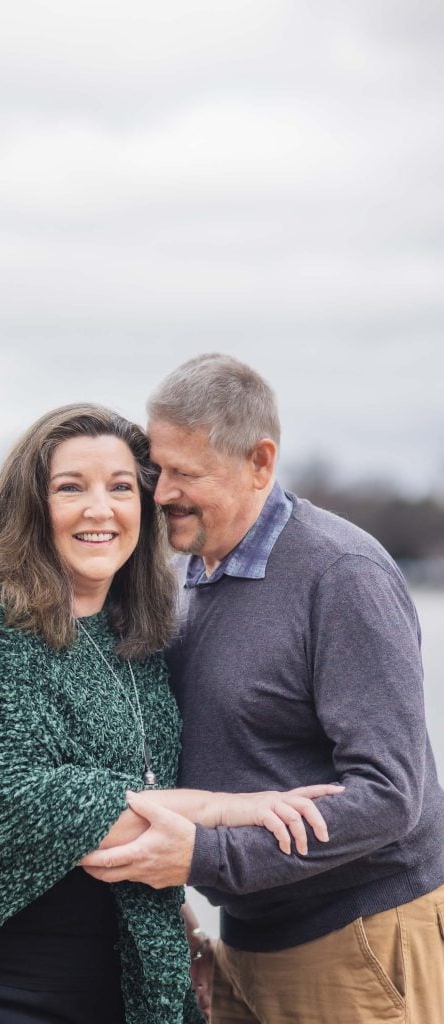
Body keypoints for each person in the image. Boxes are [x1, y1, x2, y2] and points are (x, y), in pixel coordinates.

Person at [0, 402, 341, 1024]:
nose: (99, 509)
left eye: (119, 488)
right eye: (70, 488)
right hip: (10, 985)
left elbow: (137, 772)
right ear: (30, 505)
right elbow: (9, 798)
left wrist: (176, 913)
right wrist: (224, 810)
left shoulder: (133, 634)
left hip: (139, 984)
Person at [81, 354, 444, 1024]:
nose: (160, 494)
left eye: (186, 475)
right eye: (157, 471)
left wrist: (207, 855)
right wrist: (181, 900)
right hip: (242, 941)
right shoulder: (181, 581)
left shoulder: (341, 575)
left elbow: (392, 795)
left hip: (357, 941)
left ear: (259, 462)